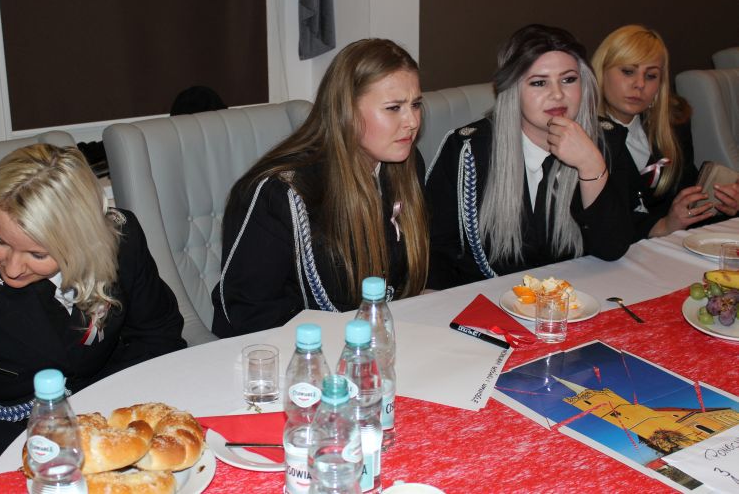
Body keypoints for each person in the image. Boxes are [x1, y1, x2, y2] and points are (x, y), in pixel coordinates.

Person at [0, 144, 186, 486]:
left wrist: (109, 427)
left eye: (38, 253)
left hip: (112, 432)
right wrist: (40, 451)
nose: (13, 268)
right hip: (1, 447)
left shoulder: (121, 238)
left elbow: (158, 333)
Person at [211, 38, 429, 337]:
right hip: (301, 352)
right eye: (394, 108)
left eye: (416, 105)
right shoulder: (279, 193)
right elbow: (249, 312)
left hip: (383, 339)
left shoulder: (405, 167)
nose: (412, 121)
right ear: (345, 111)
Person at [425, 24, 634, 288]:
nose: (557, 94)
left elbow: (612, 248)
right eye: (539, 82)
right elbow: (437, 248)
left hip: (578, 297)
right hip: (485, 299)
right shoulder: (468, 150)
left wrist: (590, 165)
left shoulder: (606, 142)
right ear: (512, 89)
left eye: (569, 79)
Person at [592, 24, 739, 239]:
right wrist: (662, 225)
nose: (639, 84)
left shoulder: (672, 127)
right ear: (601, 72)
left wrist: (721, 205)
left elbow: (687, 200)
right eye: (628, 71)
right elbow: (592, 226)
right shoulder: (582, 137)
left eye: (651, 75)